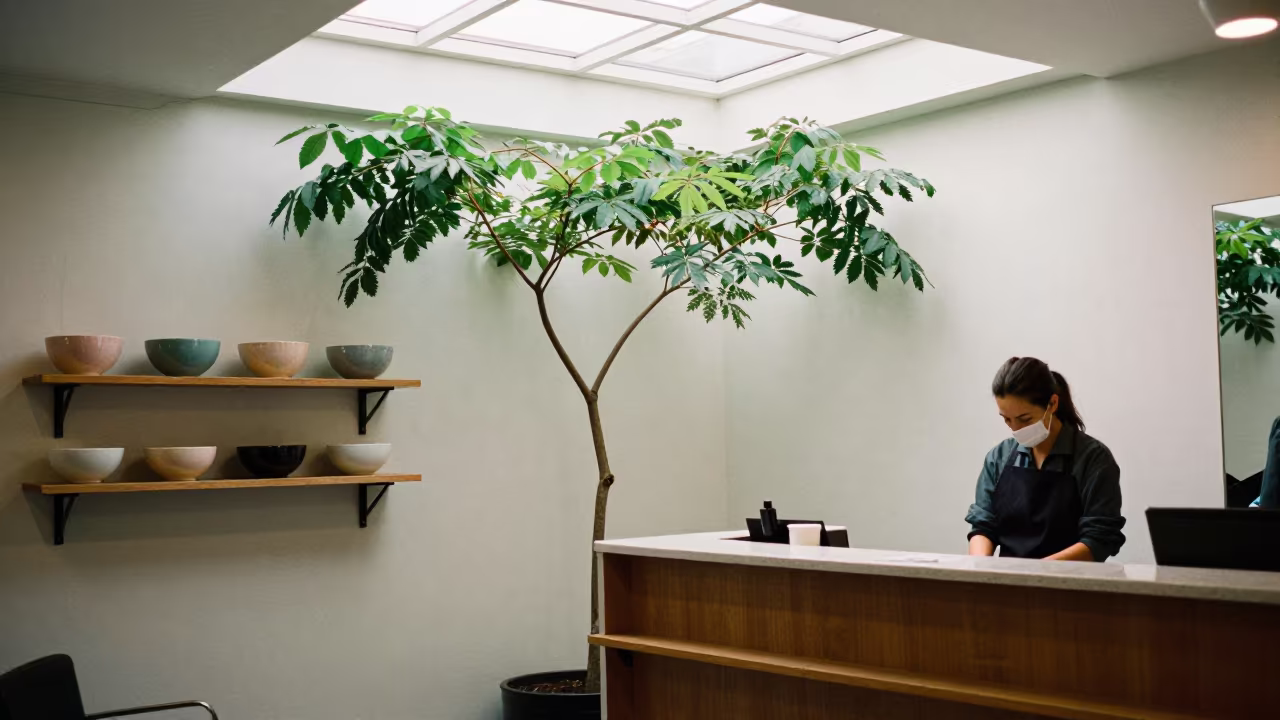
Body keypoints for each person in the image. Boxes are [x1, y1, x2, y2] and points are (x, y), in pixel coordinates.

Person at [966, 357, 1126, 561]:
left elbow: (1099, 538)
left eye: (1025, 419)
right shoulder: (999, 457)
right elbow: (983, 525)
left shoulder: (1093, 459)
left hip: (1072, 586)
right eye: (1006, 419)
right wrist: (980, 567)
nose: (1016, 429)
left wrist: (1038, 573)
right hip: (1009, 583)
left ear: (1052, 404)